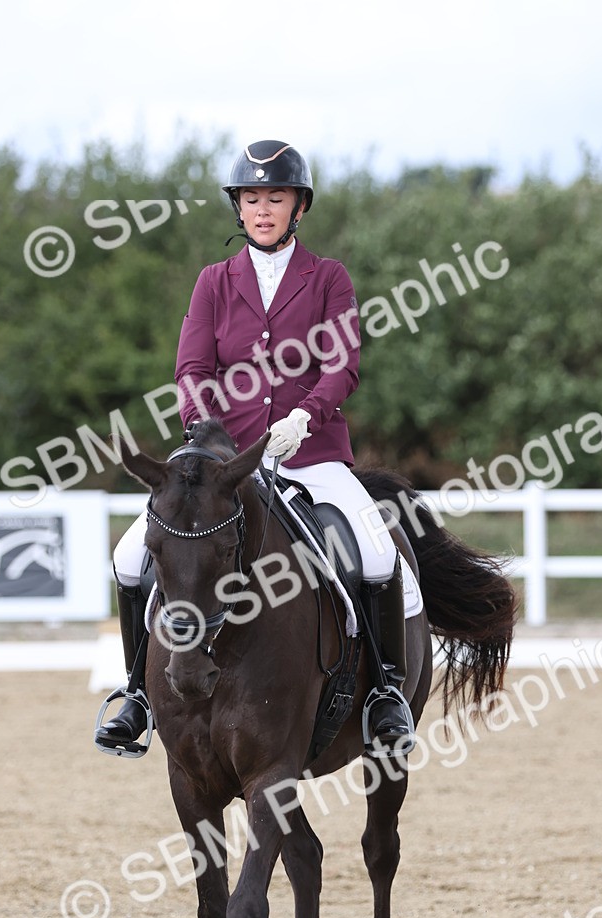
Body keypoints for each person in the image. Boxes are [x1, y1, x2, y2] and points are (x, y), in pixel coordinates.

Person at [95, 139, 412, 758]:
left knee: (376, 553)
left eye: (276, 196)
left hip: (312, 453)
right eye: (251, 198)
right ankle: (136, 693)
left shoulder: (328, 279)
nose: (262, 208)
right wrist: (205, 431)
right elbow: (192, 367)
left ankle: (387, 696)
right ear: (237, 210)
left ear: (299, 207)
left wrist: (303, 417)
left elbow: (340, 364)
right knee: (131, 556)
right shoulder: (215, 282)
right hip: (224, 467)